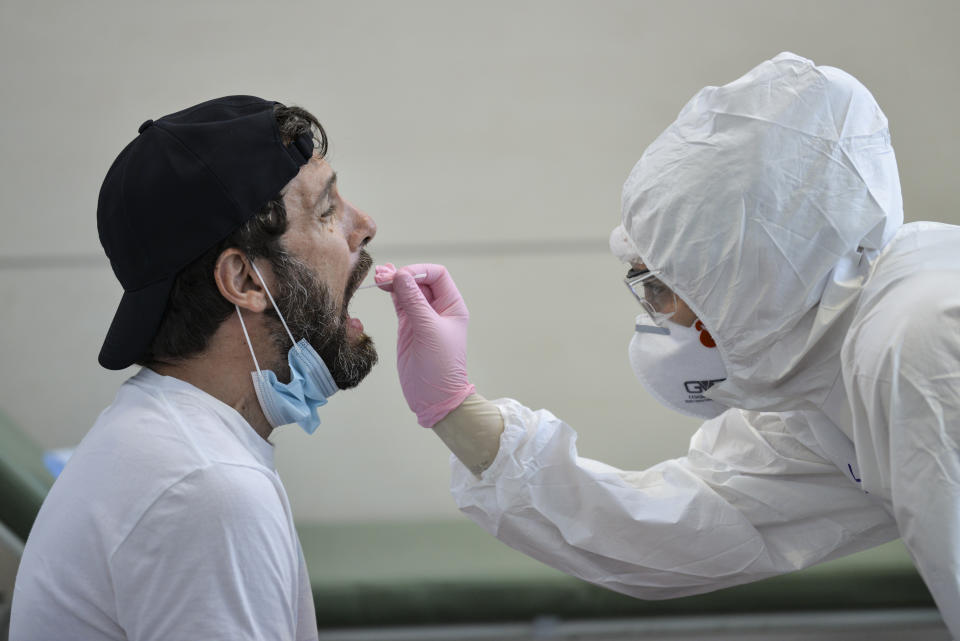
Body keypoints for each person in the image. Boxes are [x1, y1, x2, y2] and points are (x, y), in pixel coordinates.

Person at [376, 52, 960, 635]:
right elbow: (686, 526)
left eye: (660, 287)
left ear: (751, 277)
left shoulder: (916, 340)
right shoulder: (824, 385)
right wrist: (456, 408)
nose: (657, 314)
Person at [11, 96, 378, 640]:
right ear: (247, 281)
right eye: (327, 211)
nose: (364, 227)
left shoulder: (164, 434)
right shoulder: (207, 489)